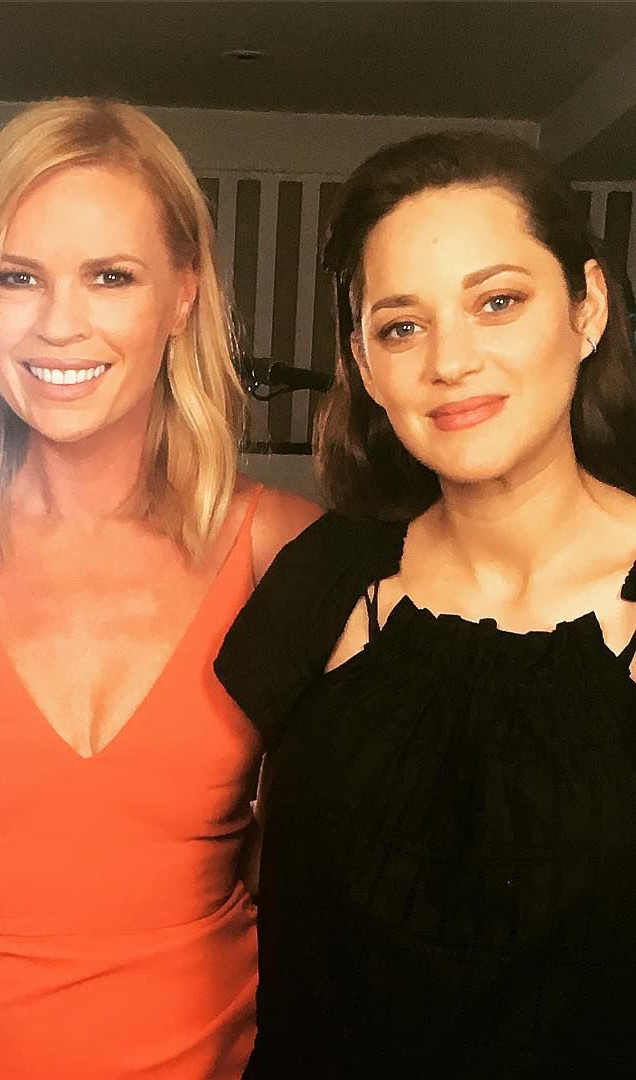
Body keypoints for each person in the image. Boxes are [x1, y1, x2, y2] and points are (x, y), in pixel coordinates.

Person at [0, 97, 318, 1079]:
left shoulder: (279, 551)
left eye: (111, 276)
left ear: (182, 295)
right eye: (17, 276)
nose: (59, 324)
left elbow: (334, 877)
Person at [216, 130, 636, 1078]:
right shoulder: (322, 580)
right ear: (365, 365)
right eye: (402, 326)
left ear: (588, 309)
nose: (451, 361)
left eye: (498, 302)